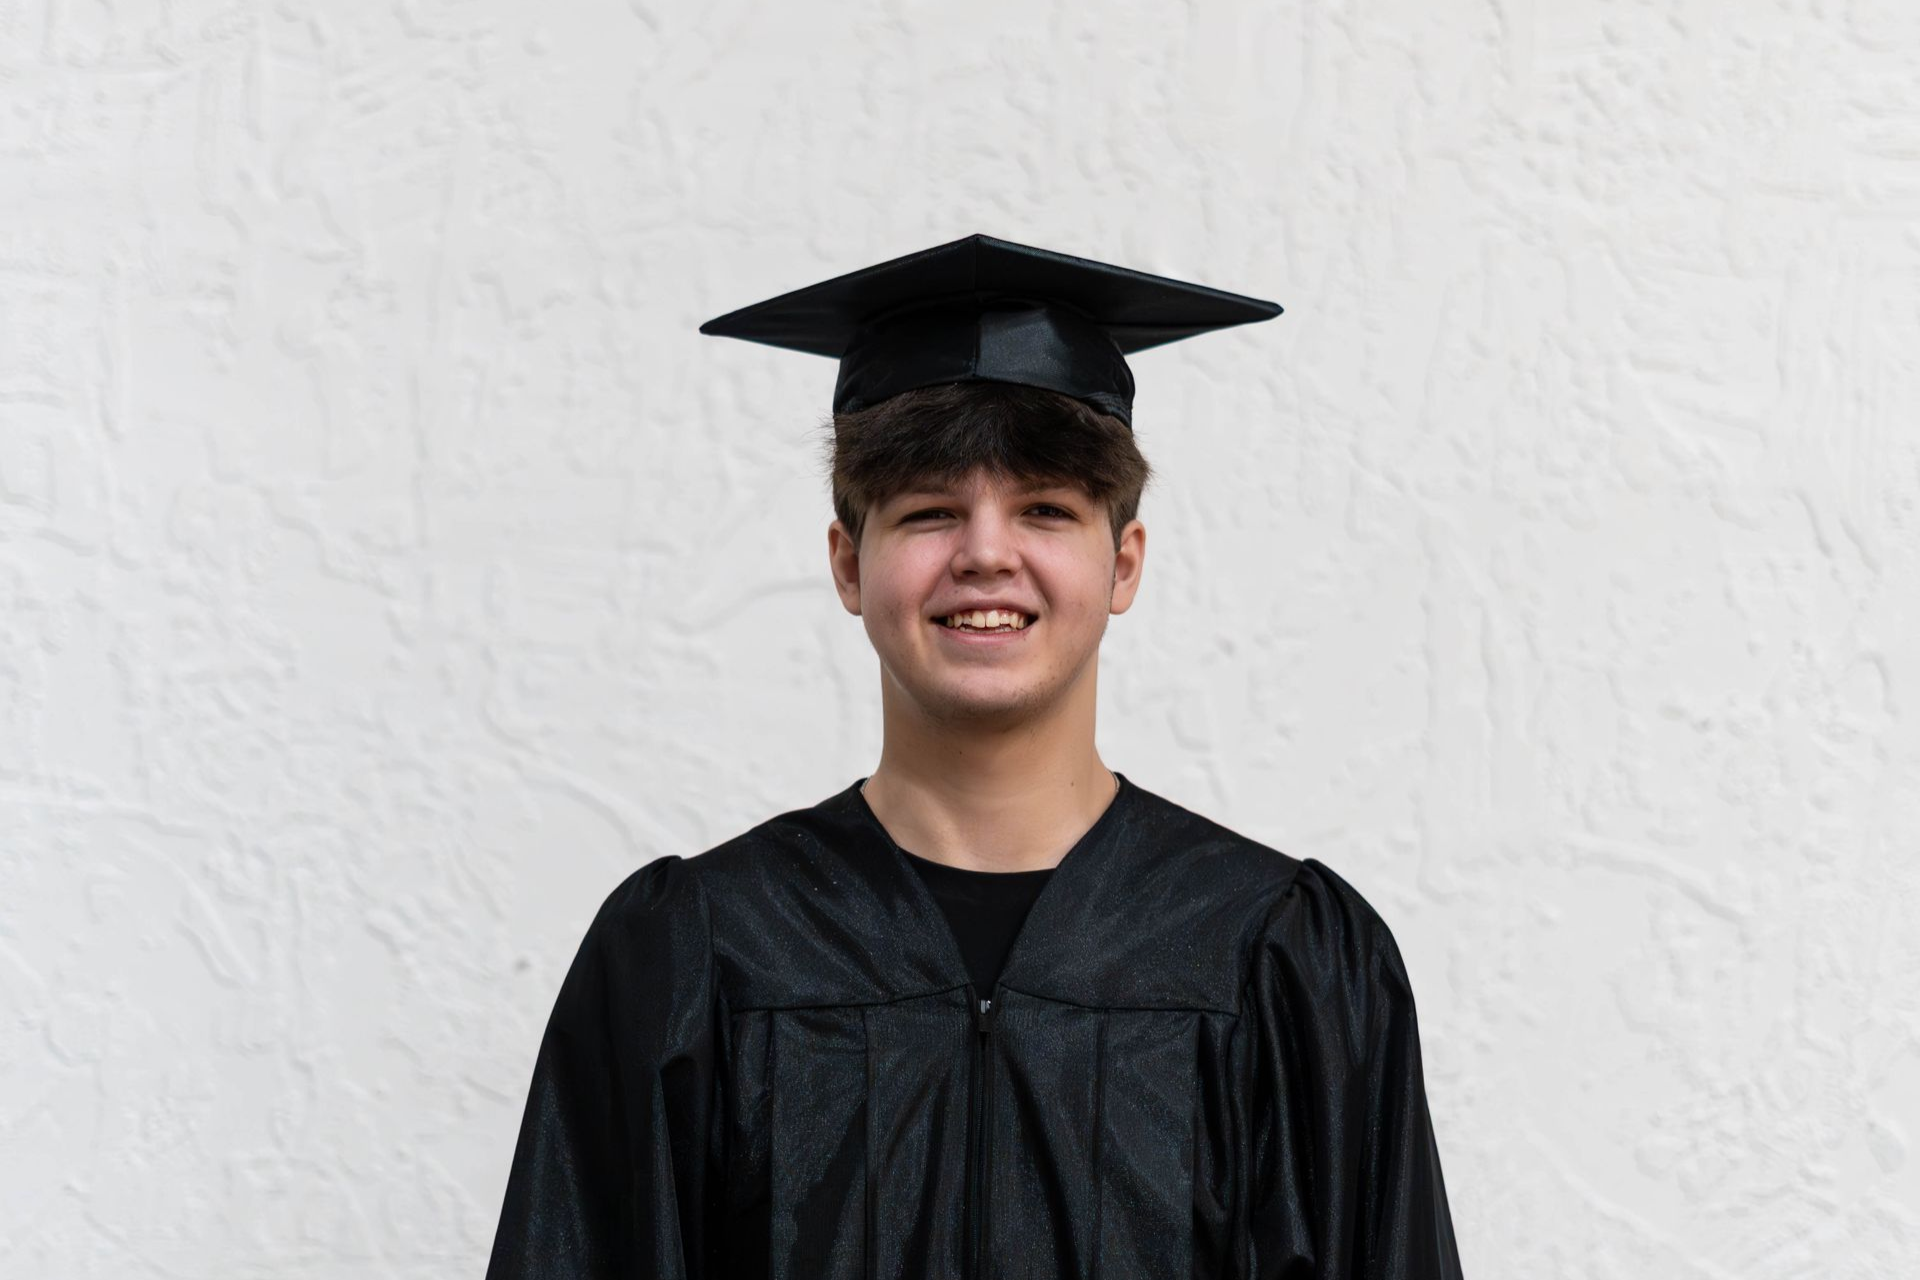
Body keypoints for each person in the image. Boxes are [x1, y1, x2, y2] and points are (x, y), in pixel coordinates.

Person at [484, 233, 1465, 1279]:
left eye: (1045, 507)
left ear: (1123, 561)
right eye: (929, 511)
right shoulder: (698, 957)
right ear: (847, 563)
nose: (986, 552)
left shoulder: (1283, 961)